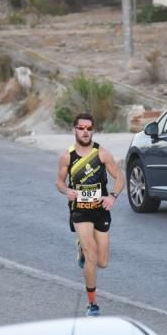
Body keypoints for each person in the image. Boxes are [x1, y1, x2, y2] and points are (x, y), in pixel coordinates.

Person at [55, 113, 124, 316]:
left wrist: (112, 196)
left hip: (100, 209)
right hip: (79, 210)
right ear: (74, 130)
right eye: (81, 128)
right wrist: (66, 190)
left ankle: (82, 250)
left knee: (102, 262)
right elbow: (59, 181)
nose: (85, 132)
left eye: (88, 128)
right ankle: (92, 304)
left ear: (92, 131)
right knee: (92, 255)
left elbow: (119, 177)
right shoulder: (67, 156)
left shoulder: (102, 153)